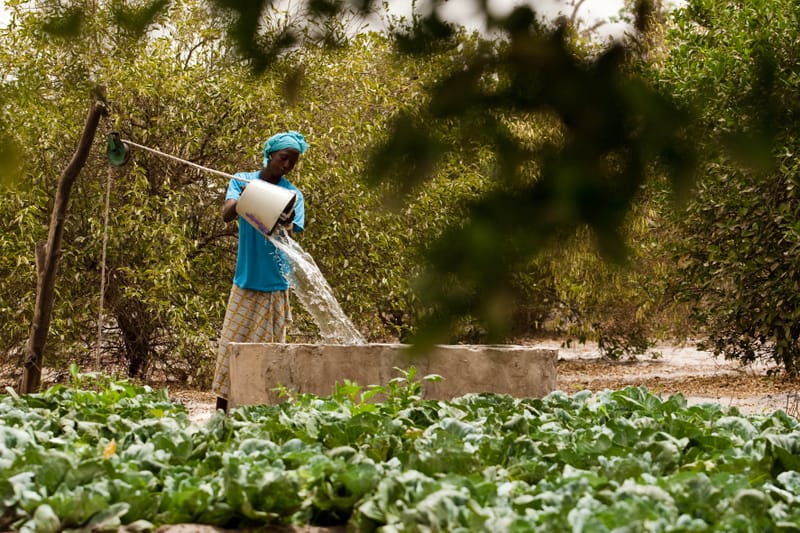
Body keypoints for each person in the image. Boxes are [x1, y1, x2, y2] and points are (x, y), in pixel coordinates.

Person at [211, 131, 308, 412]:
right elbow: (227, 213)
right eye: (283, 158)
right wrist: (251, 194)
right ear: (269, 156)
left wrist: (281, 213)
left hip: (276, 284)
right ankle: (221, 414)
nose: (287, 165)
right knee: (231, 351)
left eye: (293, 161)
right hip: (245, 280)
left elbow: (290, 229)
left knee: (270, 358)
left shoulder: (293, 195)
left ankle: (263, 414)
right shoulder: (242, 179)